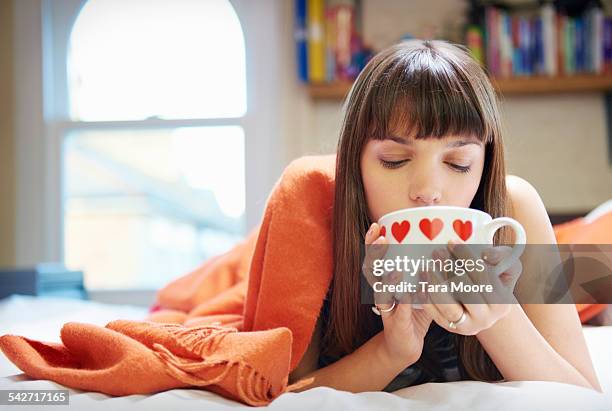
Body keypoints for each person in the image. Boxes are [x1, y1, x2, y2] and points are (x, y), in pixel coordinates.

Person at [287, 39, 602, 393]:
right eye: (394, 159)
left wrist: (496, 316)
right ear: (354, 161)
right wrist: (392, 351)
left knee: (597, 266)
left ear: (484, 163)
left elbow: (584, 393)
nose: (429, 190)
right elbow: (289, 393)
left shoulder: (515, 209)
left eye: (458, 163)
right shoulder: (315, 212)